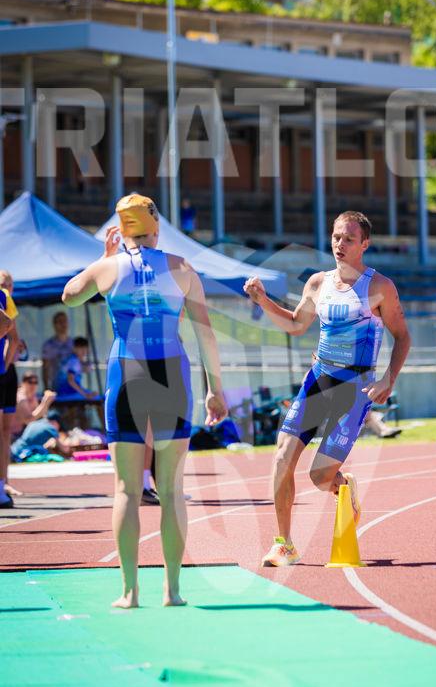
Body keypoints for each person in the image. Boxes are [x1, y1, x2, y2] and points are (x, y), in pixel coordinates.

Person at [62, 193, 227, 608]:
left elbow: (70, 296)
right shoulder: (182, 267)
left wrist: (103, 259)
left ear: (122, 230)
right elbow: (205, 334)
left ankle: (129, 592)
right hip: (171, 373)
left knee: (126, 490)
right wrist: (215, 389)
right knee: (172, 490)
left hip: (126, 372)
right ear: (156, 228)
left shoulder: (107, 268)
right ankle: (173, 590)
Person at [243, 210, 411, 567]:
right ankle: (284, 544)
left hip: (355, 388)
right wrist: (263, 301)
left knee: (320, 477)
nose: (340, 244)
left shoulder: (379, 287)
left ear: (364, 244)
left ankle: (342, 484)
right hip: (318, 379)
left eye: (349, 239)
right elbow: (295, 324)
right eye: (336, 237)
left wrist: (388, 379)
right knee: (282, 456)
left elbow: (402, 336)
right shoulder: (318, 283)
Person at [0, 271, 19, 507]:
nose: (7, 286)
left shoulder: (5, 298)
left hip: (5, 371)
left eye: (9, 283)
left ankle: (3, 482)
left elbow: (11, 329)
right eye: (3, 283)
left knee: (5, 432)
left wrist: (5, 363)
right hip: (4, 369)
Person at [12, 372, 57, 437]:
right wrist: (44, 403)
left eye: (35, 382)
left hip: (26, 429)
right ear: (23, 383)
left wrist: (47, 403)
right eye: (30, 382)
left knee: (54, 419)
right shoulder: (21, 398)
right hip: (16, 434)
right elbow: (28, 420)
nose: (33, 385)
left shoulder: (32, 395)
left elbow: (40, 415)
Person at [54, 336, 97, 400]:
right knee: (97, 398)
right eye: (80, 348)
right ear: (74, 349)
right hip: (66, 393)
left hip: (69, 391)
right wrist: (85, 395)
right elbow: (70, 380)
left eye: (85, 348)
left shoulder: (75, 360)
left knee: (96, 395)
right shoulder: (74, 361)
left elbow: (85, 369)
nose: (84, 350)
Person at [42, 311, 74, 391]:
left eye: (65, 321)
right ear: (55, 325)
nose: (63, 324)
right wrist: (46, 388)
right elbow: (45, 368)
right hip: (57, 388)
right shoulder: (49, 345)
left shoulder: (73, 343)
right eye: (60, 321)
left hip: (74, 387)